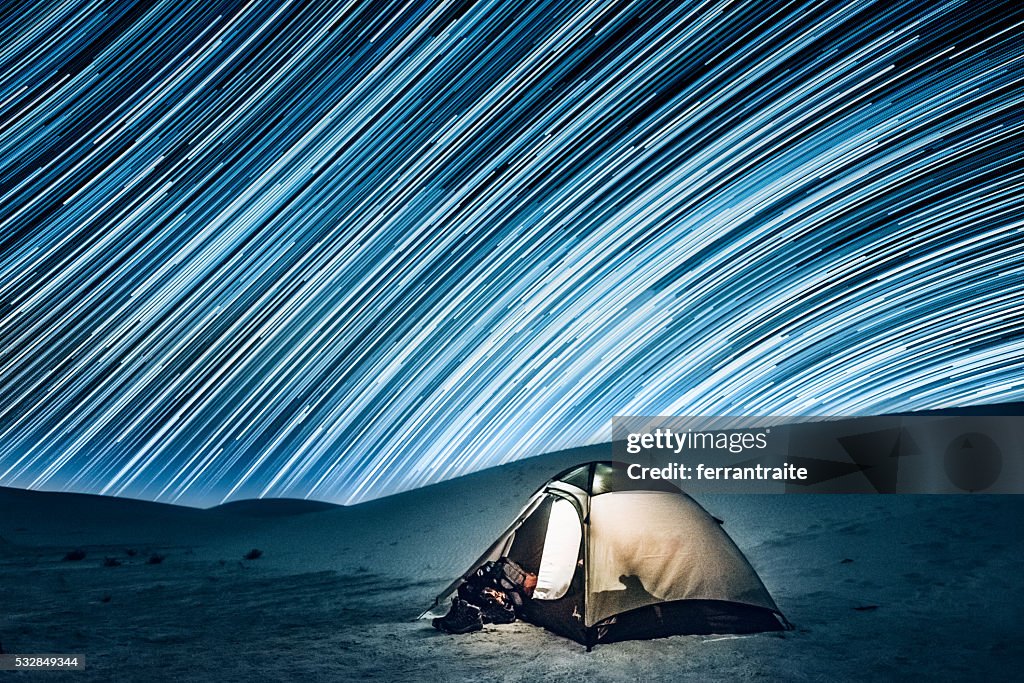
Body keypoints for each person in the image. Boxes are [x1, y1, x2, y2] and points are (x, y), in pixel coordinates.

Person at [432, 557, 536, 634]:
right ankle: (463, 612)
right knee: (476, 581)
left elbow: (516, 605)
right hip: (498, 588)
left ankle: (471, 617)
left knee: (489, 590)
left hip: (504, 602)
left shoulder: (517, 597)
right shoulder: (510, 571)